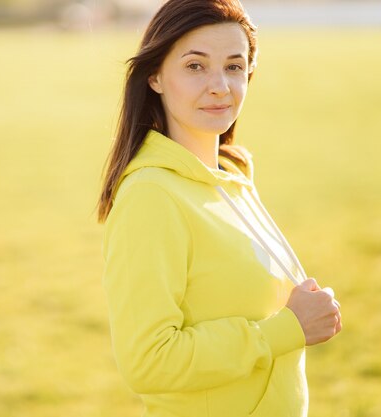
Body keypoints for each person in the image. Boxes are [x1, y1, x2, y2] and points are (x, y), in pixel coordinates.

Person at [96, 0, 342, 416]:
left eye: (233, 66)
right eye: (195, 66)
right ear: (155, 75)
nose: (220, 86)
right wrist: (286, 329)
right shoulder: (151, 196)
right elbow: (149, 362)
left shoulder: (232, 174)